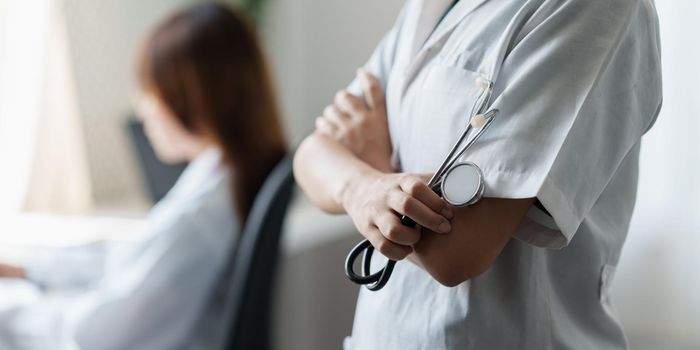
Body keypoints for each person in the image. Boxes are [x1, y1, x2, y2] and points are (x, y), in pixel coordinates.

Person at [294, 0, 662, 348]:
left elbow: (455, 254)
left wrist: (373, 171)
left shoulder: (593, 8)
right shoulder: (428, 7)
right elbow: (312, 154)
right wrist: (363, 189)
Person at [0, 3, 286, 349]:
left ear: (189, 98)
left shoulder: (201, 219)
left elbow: (93, 335)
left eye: (151, 91)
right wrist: (27, 269)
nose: (143, 108)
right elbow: (134, 258)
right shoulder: (224, 176)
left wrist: (9, 307)